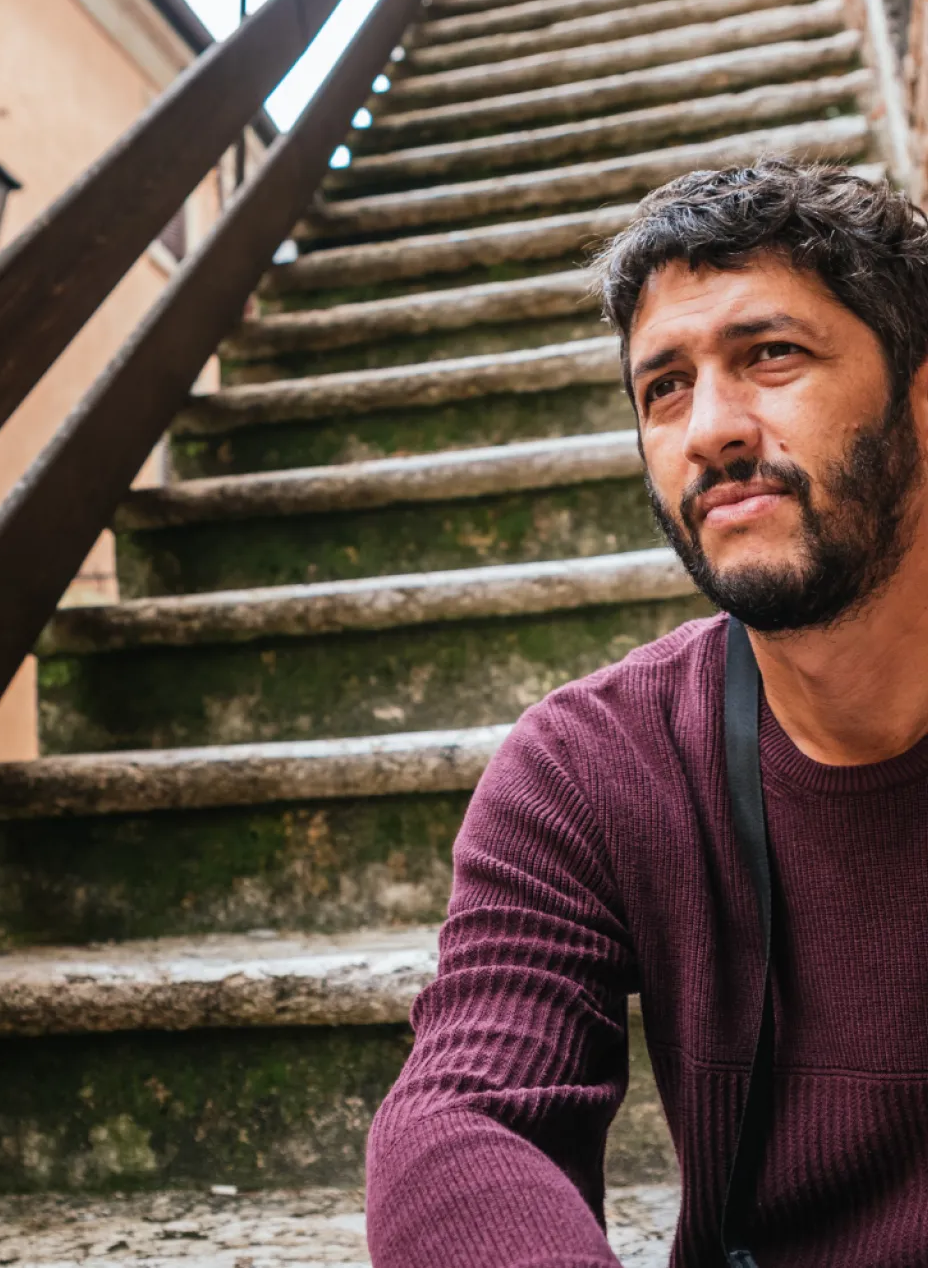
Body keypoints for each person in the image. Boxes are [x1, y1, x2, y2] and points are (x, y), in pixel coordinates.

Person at [365, 159, 928, 1267]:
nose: (709, 430)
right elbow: (463, 1117)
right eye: (662, 386)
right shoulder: (588, 766)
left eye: (771, 355)